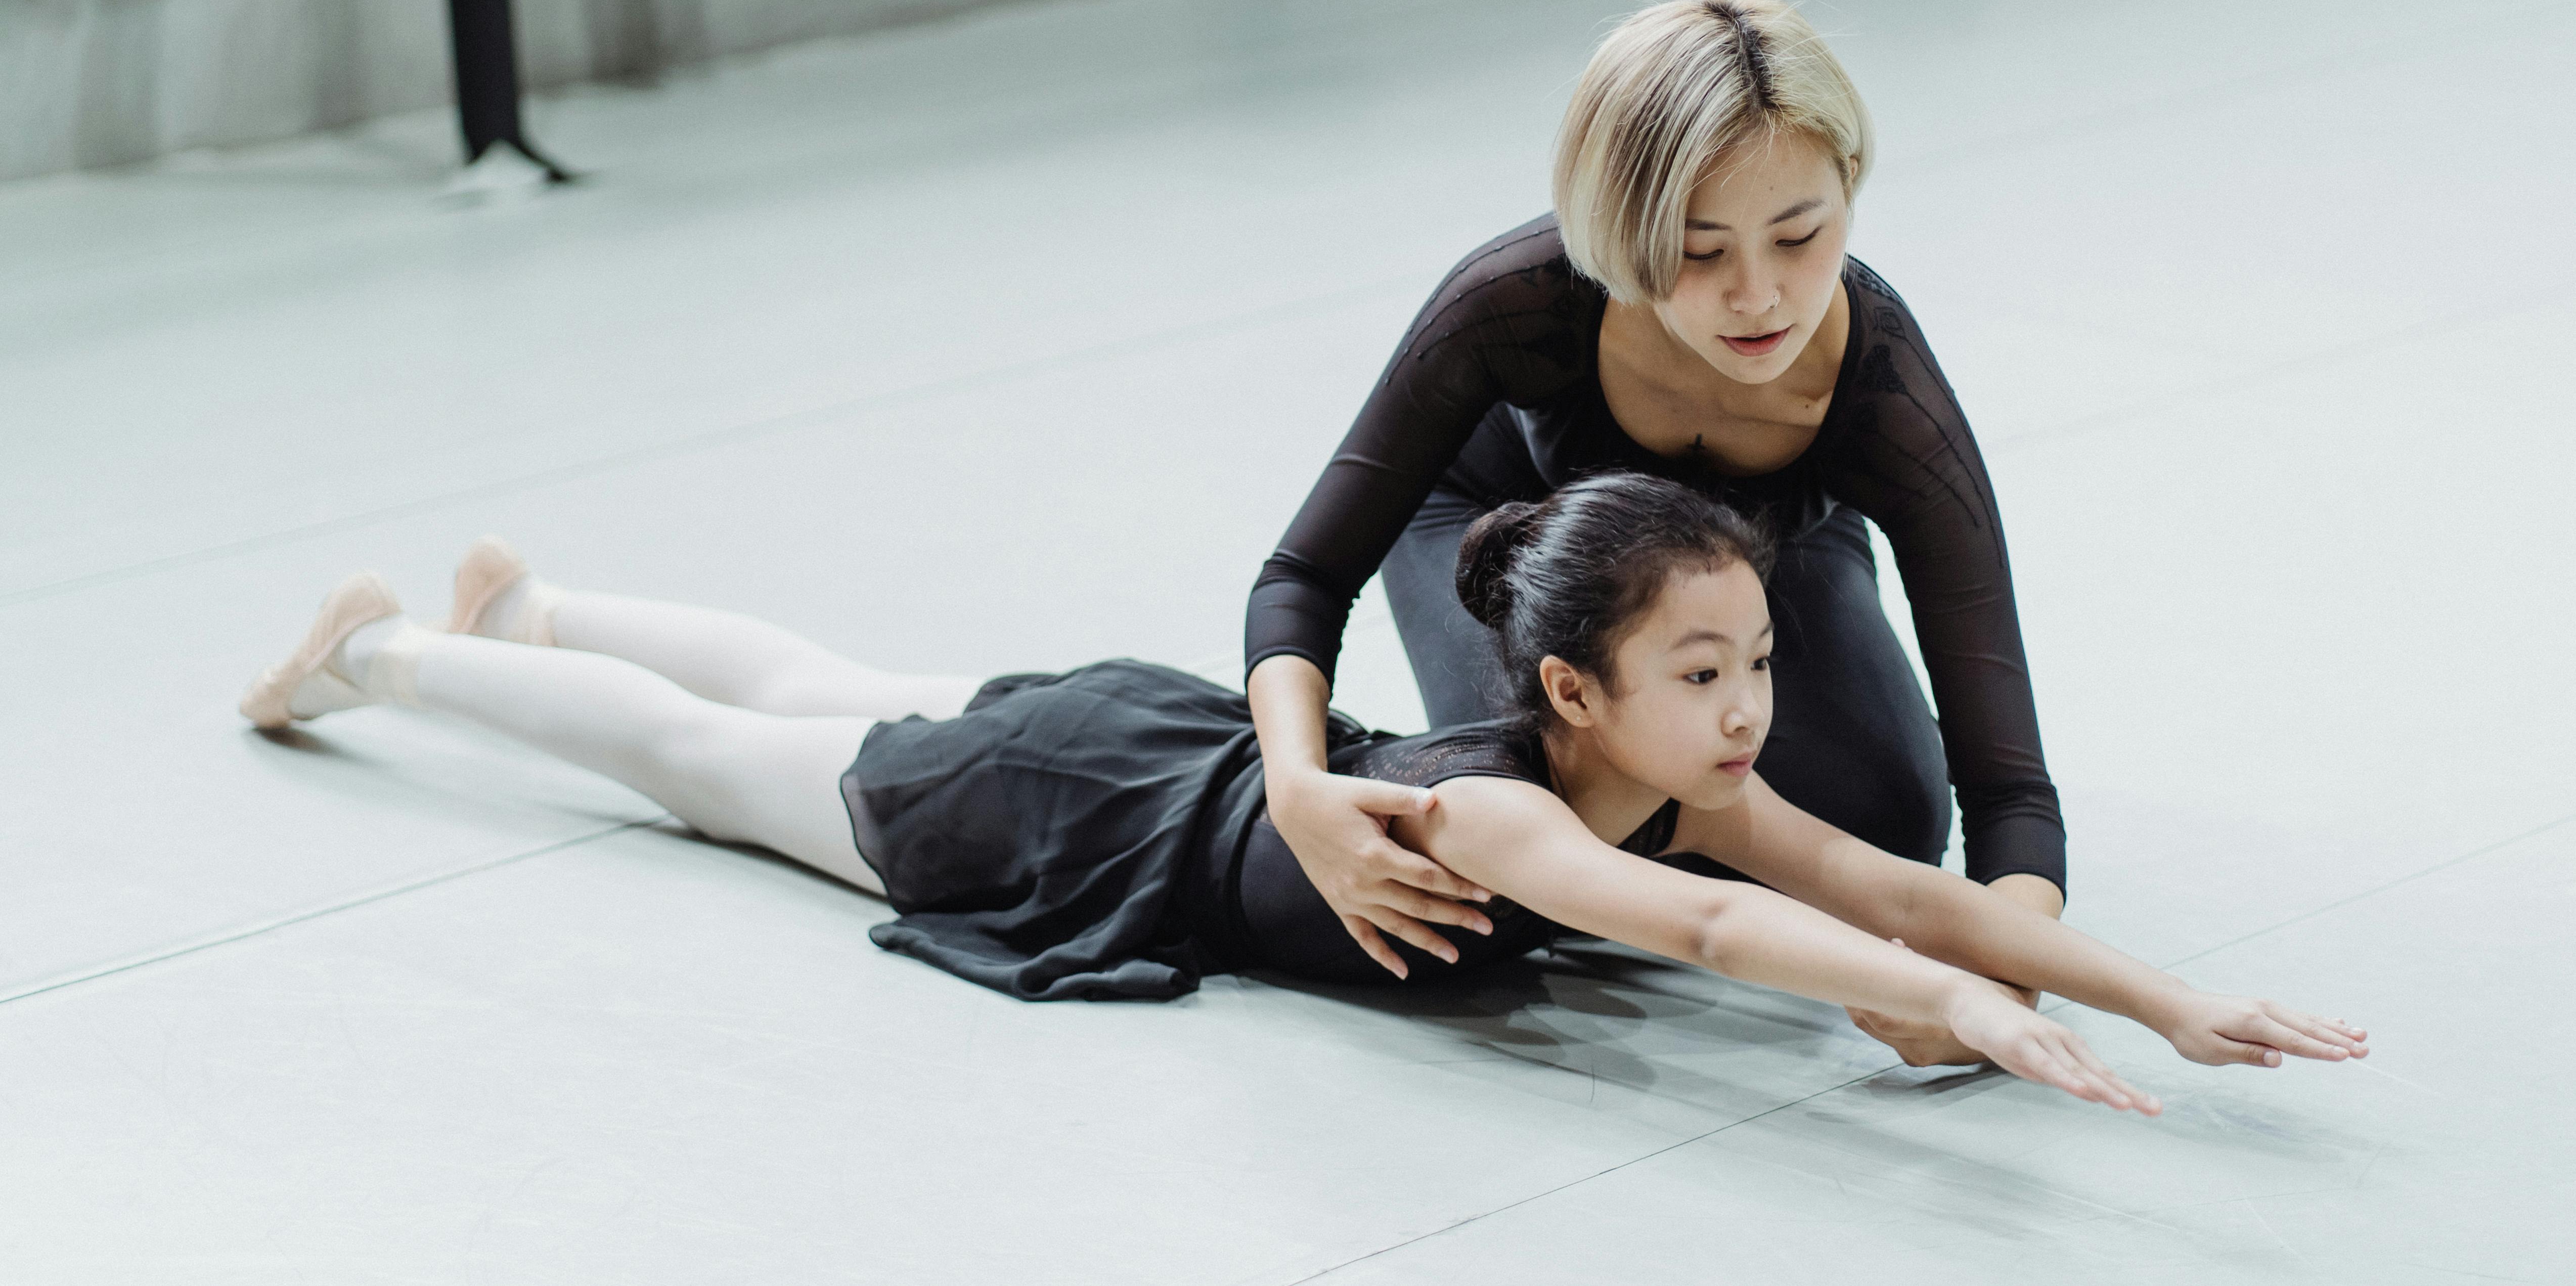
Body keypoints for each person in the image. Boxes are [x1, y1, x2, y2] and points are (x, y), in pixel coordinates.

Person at [239, 476, 2363, 1115]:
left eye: (1759, 668)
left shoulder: (1673, 781)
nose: (1750, 717)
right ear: (1566, 690)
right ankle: (392, 658)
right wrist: (1963, 1012)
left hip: (1150, 737)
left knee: (830, 690)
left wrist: (2159, 997)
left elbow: (1897, 884)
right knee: (729, 770)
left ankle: (547, 591)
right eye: (1705, 676)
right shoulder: (1526, 812)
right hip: (1080, 817)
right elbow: (1736, 935)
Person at [1244, 0, 2065, 1068]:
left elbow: (2007, 782)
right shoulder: (1517, 300)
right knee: (1556, 832)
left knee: (1893, 823)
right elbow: (1304, 574)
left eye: (1802, 235)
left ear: (1849, 195)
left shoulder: (1887, 401)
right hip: (1510, 529)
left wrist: (2007, 982)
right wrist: (1297, 789)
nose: (1760, 297)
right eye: (1699, 249)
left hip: (1755, 555)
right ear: (1617, 234)